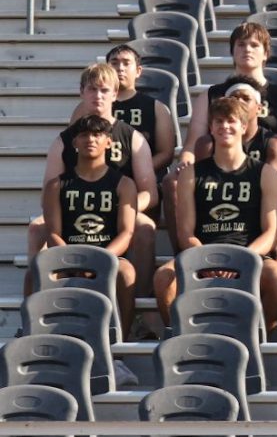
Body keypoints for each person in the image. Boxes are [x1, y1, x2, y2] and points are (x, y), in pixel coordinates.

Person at [168, 22, 277, 258]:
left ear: (266, 53)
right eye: (241, 44)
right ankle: (187, 257)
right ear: (232, 51)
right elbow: (193, 144)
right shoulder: (211, 94)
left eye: (254, 45)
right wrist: (185, 160)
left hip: (269, 171)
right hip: (217, 173)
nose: (247, 49)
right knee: (174, 181)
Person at [153, 97, 277, 329]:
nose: (225, 126)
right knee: (163, 278)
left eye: (231, 121)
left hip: (248, 253)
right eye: (219, 121)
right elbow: (186, 233)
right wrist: (207, 260)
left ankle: (257, 336)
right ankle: (181, 337)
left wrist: (240, 259)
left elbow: (271, 233)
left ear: (244, 127)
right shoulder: (191, 174)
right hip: (203, 253)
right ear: (211, 127)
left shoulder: (265, 173)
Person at [27, 64, 157, 302]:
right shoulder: (64, 141)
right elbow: (49, 192)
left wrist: (121, 209)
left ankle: (141, 306)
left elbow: (150, 193)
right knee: (37, 228)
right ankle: (43, 302)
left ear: (115, 94)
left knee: (145, 227)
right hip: (74, 208)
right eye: (92, 89)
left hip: (118, 207)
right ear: (82, 92)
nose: (98, 96)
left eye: (104, 90)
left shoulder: (133, 137)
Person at [42, 115, 138, 331]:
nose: (91, 139)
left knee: (126, 273)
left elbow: (126, 233)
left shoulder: (124, 184)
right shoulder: (56, 185)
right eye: (84, 135)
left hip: (109, 255)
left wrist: (98, 260)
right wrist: (74, 261)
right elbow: (53, 232)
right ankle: (39, 334)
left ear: (109, 142)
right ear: (75, 142)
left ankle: (121, 338)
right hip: (67, 257)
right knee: (35, 273)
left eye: (97, 135)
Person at [70, 44, 176, 179]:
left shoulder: (157, 108)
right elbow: (72, 145)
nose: (120, 68)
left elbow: (166, 154)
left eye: (126, 63)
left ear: (138, 71)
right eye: (114, 63)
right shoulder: (85, 108)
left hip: (141, 180)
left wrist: (137, 173)